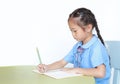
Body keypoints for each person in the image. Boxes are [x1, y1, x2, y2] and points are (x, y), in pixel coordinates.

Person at [37, 8, 111, 84]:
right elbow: (62, 62)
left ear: (88, 28)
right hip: (82, 81)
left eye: (75, 31)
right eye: (71, 31)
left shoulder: (96, 47)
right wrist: (47, 67)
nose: (73, 34)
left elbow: (101, 73)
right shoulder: (78, 46)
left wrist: (77, 70)